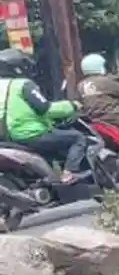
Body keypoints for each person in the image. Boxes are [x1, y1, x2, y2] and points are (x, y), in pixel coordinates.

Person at [0, 50, 87, 182]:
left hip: (8, 139)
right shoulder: (24, 85)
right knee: (78, 138)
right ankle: (69, 173)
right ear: (18, 67)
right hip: (31, 134)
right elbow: (45, 108)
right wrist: (72, 105)